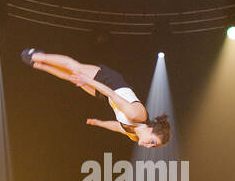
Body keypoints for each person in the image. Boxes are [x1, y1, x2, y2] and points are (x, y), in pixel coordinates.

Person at [21, 50, 171, 147]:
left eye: (154, 146)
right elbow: (113, 94)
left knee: (73, 79)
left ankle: (39, 65)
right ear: (151, 129)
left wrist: (99, 123)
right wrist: (88, 81)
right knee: (75, 68)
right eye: (153, 141)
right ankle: (35, 55)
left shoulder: (133, 134)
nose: (150, 146)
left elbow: (117, 127)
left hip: (105, 95)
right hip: (110, 83)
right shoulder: (137, 115)